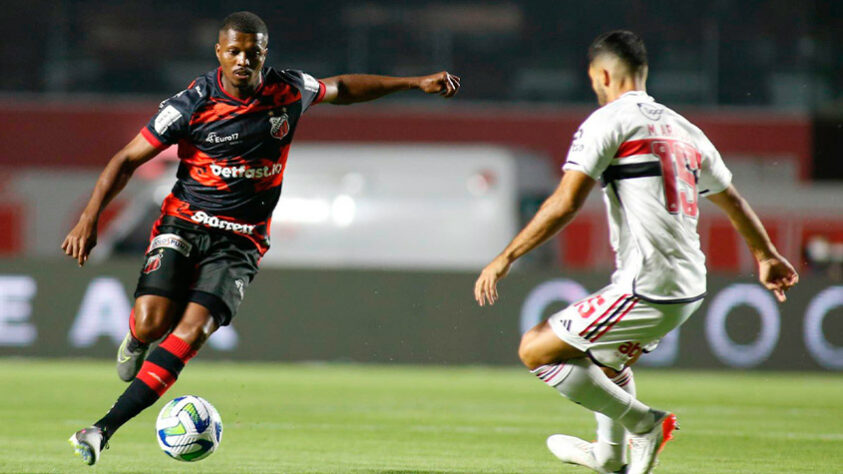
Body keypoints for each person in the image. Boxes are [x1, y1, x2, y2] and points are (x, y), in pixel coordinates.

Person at [64, 11, 460, 466]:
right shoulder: (192, 103)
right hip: (184, 224)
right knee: (152, 322)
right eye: (234, 52)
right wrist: (89, 219)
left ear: (264, 55)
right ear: (219, 53)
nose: (243, 61)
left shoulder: (288, 91)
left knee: (191, 331)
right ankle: (135, 340)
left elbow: (342, 88)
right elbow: (126, 160)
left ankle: (101, 428)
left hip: (241, 242)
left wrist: (412, 84)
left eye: (252, 53)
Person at [474, 30, 797, 474]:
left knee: (535, 349)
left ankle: (643, 425)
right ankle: (608, 456)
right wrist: (765, 256)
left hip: (647, 285)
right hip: (689, 286)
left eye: (593, 80)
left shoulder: (607, 122)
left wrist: (506, 256)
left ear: (603, 74)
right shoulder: (687, 130)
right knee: (605, 362)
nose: (594, 88)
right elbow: (733, 201)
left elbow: (565, 202)